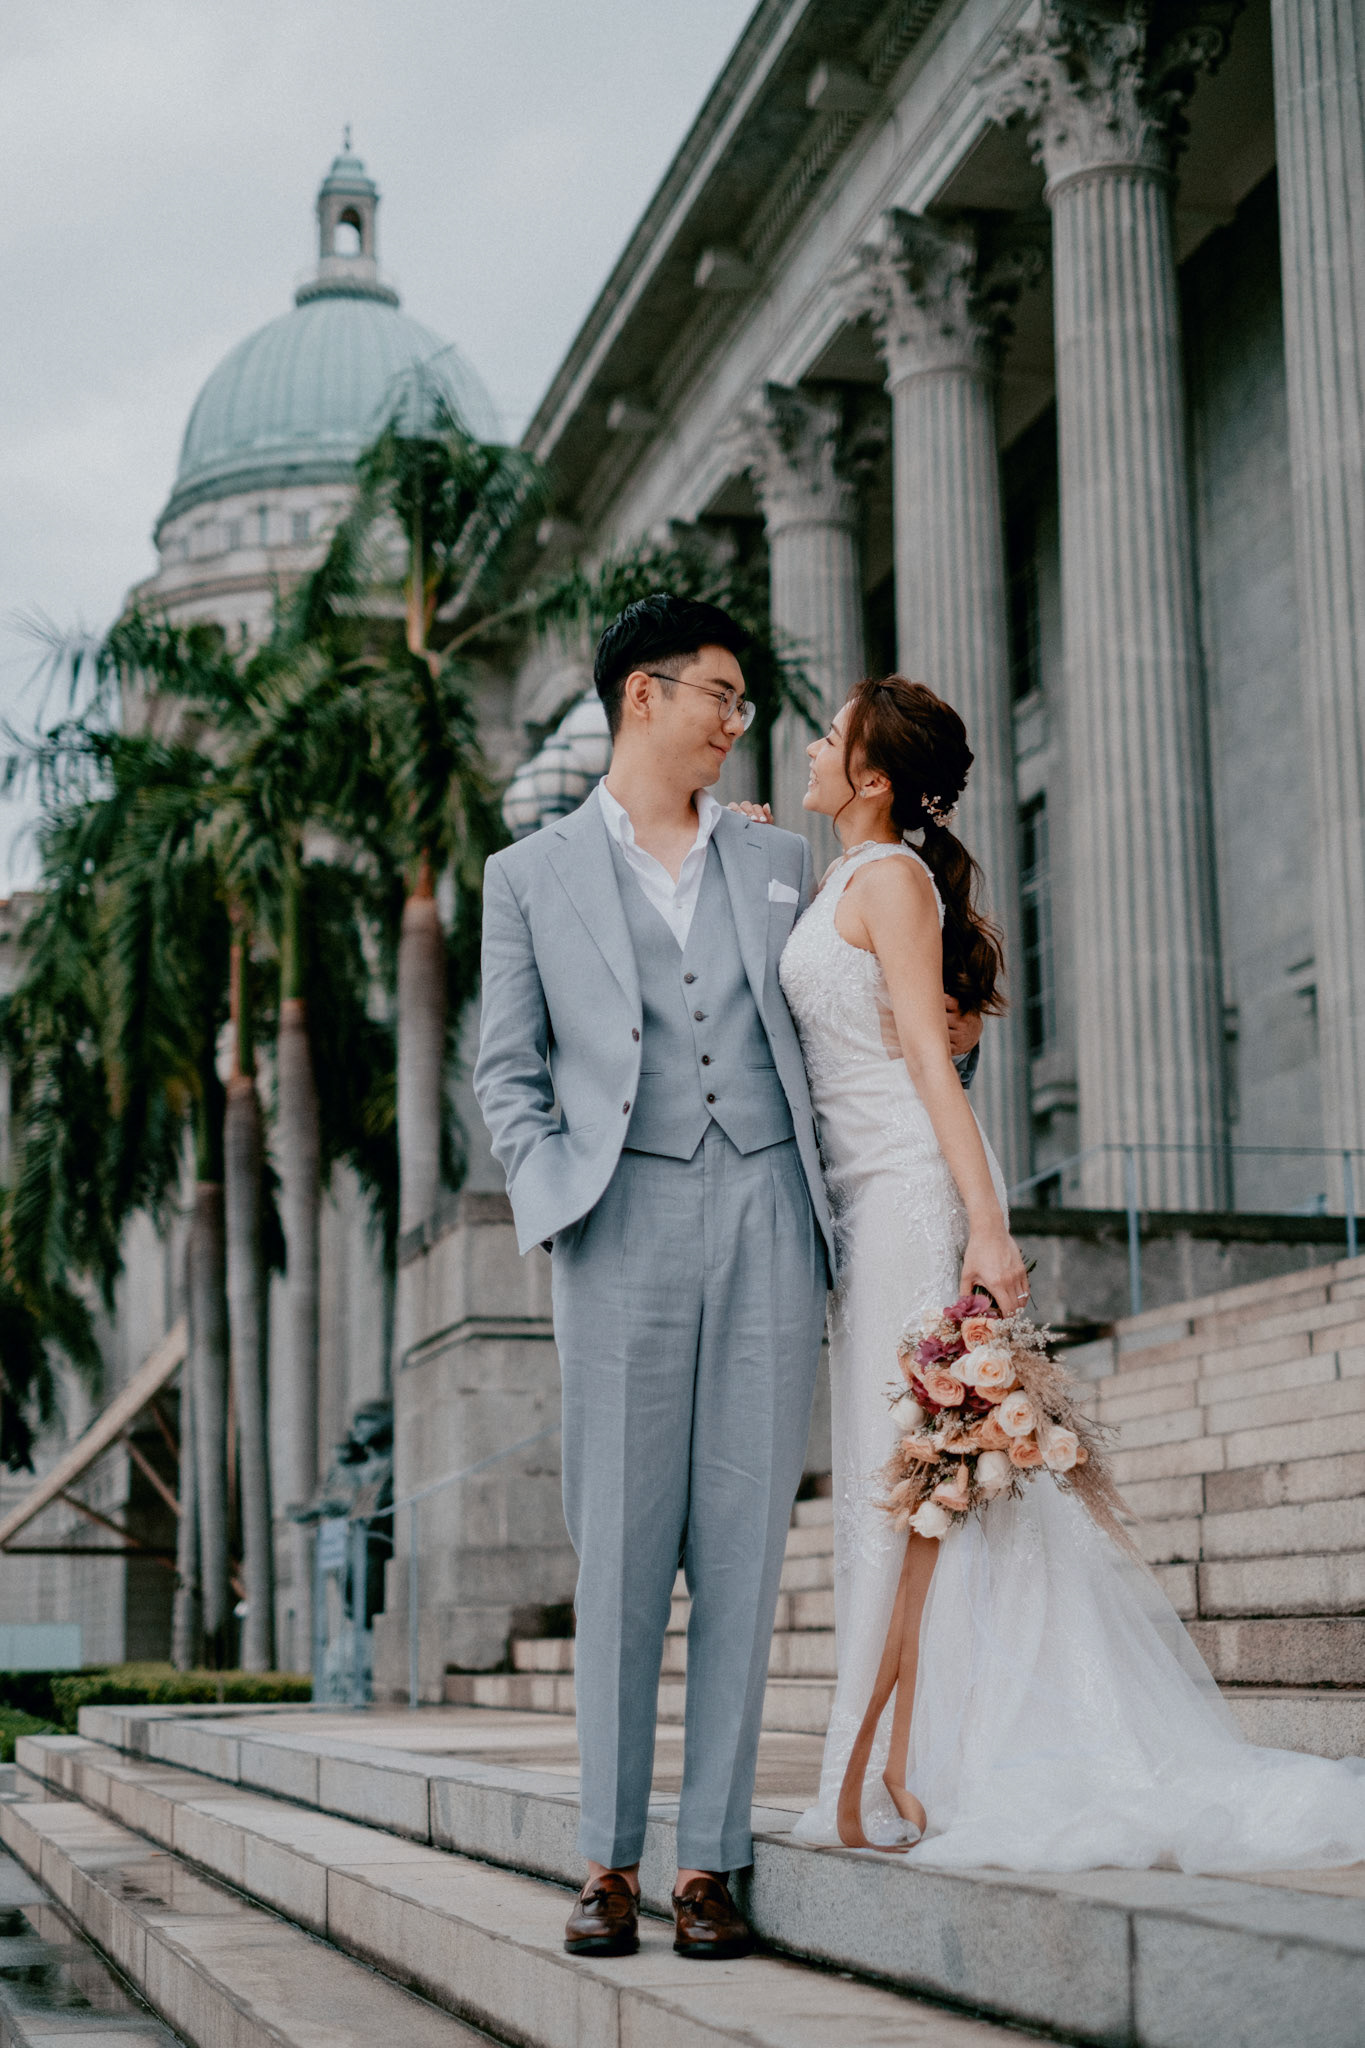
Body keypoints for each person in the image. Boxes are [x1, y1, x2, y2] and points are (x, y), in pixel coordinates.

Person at [772, 674, 1365, 1870]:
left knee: (925, 1477)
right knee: (915, 1477)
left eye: (831, 735)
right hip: (862, 1206)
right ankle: (907, 1751)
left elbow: (931, 1064)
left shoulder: (889, 881)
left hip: (912, 1197)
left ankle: (929, 1760)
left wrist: (987, 1228)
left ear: (874, 776)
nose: (812, 745)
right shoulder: (842, 876)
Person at [474, 593, 833, 1962]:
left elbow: (835, 1006)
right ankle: (607, 1860)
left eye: (741, 703)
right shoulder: (528, 875)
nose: (738, 721)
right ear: (646, 693)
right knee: (621, 1548)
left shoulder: (779, 857)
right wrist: (558, 1193)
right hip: (616, 1218)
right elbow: (506, 1071)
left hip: (767, 1210)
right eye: (722, 695)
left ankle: (708, 1863)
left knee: (743, 1550)